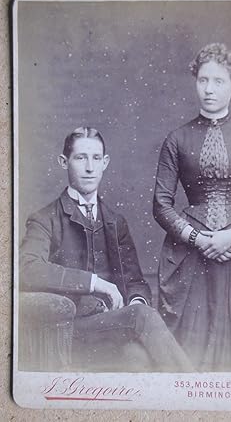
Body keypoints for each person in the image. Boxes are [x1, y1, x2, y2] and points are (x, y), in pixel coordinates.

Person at [20, 126, 193, 372]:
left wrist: (135, 300)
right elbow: (27, 268)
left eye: (96, 158)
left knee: (139, 360)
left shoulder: (115, 221)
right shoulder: (45, 219)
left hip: (110, 327)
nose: (90, 168)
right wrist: (95, 283)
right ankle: (192, 389)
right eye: (81, 158)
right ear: (64, 161)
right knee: (142, 317)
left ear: (105, 163)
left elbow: (135, 281)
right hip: (70, 330)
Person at [153, 43, 231, 372]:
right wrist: (199, 238)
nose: (209, 89)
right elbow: (161, 204)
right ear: (195, 82)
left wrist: (229, 236)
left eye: (218, 81)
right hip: (190, 253)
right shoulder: (177, 139)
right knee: (189, 348)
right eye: (203, 80)